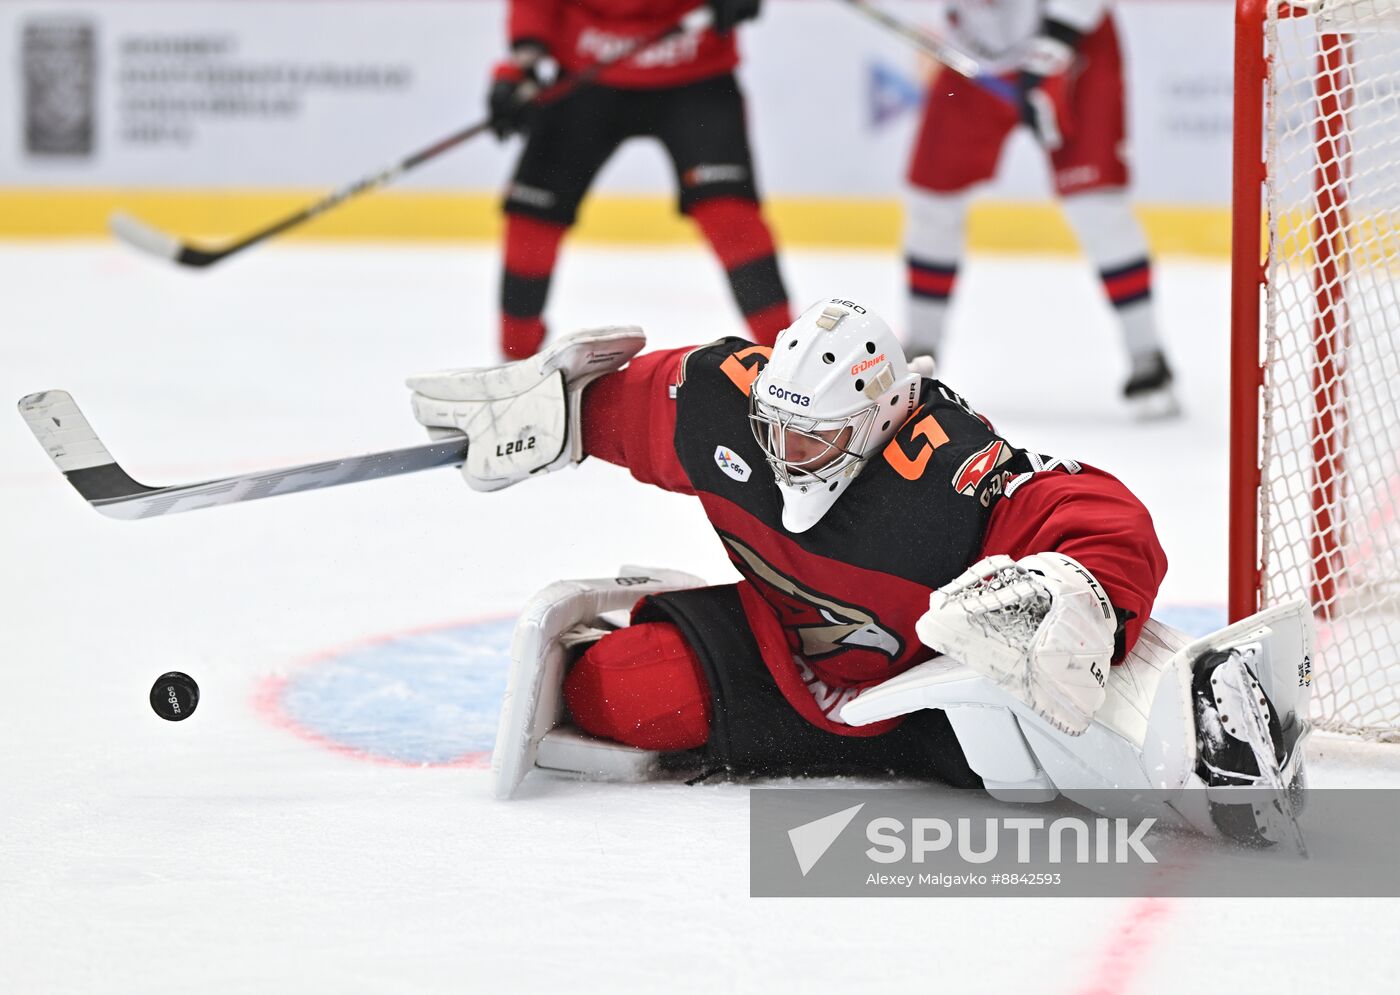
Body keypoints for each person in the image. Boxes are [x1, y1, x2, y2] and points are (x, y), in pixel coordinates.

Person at [407, 298, 1309, 843]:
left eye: (814, 437)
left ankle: (1217, 737)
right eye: (776, 428)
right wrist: (555, 413)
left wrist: (1088, 593)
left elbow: (1094, 509)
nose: (784, 452)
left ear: (879, 418)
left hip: (935, 689)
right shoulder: (731, 400)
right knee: (615, 692)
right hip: (789, 646)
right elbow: (622, 406)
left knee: (1054, 731)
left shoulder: (944, 468)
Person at [903, 0, 1179, 417]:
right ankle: (918, 356)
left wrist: (1055, 44)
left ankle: (1146, 354)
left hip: (1075, 47)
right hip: (975, 52)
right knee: (932, 202)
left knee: (1097, 206)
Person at [486, 0, 791, 359]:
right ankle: (515, 364)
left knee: (729, 215)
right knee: (531, 217)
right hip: (588, 73)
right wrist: (522, 63)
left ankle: (793, 366)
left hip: (696, 70)